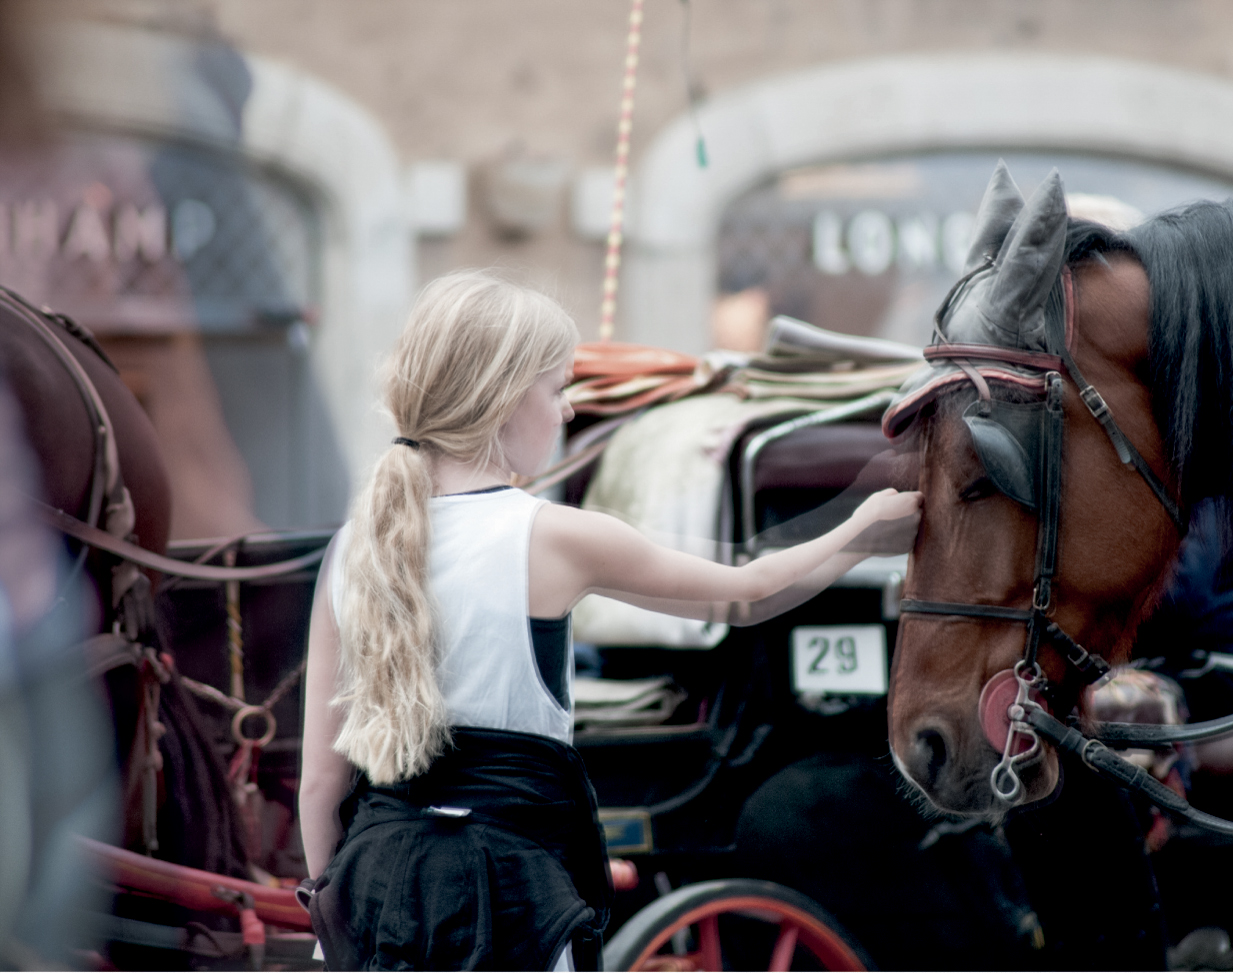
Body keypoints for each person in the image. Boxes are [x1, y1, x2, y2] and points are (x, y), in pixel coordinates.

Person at [297, 270, 921, 971]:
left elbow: (322, 784)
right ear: (503, 397)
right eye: (556, 388)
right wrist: (859, 531)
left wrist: (335, 913)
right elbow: (746, 592)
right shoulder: (552, 535)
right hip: (505, 893)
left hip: (374, 887)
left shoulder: (353, 545)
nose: (565, 412)